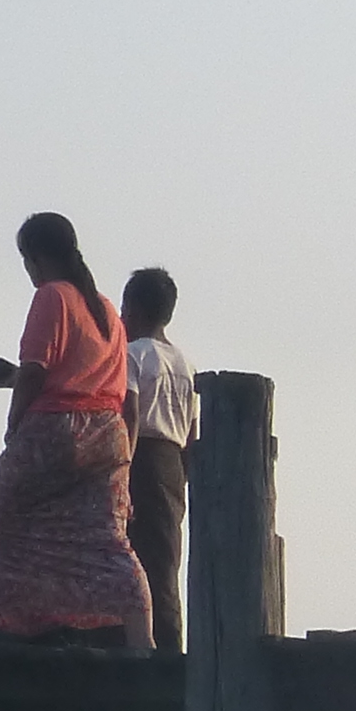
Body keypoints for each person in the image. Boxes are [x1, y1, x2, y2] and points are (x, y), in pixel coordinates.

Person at [0, 213, 152, 647]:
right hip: (108, 435)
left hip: (55, 430)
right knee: (107, 540)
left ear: (35, 257)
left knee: (1, 532)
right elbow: (109, 387)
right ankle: (144, 641)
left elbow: (36, 372)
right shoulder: (106, 309)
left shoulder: (52, 296)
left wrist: (14, 427)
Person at [120, 265, 197, 654]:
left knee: (132, 558)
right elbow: (192, 431)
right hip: (173, 465)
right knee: (166, 559)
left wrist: (121, 469)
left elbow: (130, 415)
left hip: (141, 459)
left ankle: (139, 645)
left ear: (131, 309)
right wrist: (183, 475)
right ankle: (170, 645)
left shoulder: (133, 354)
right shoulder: (185, 365)